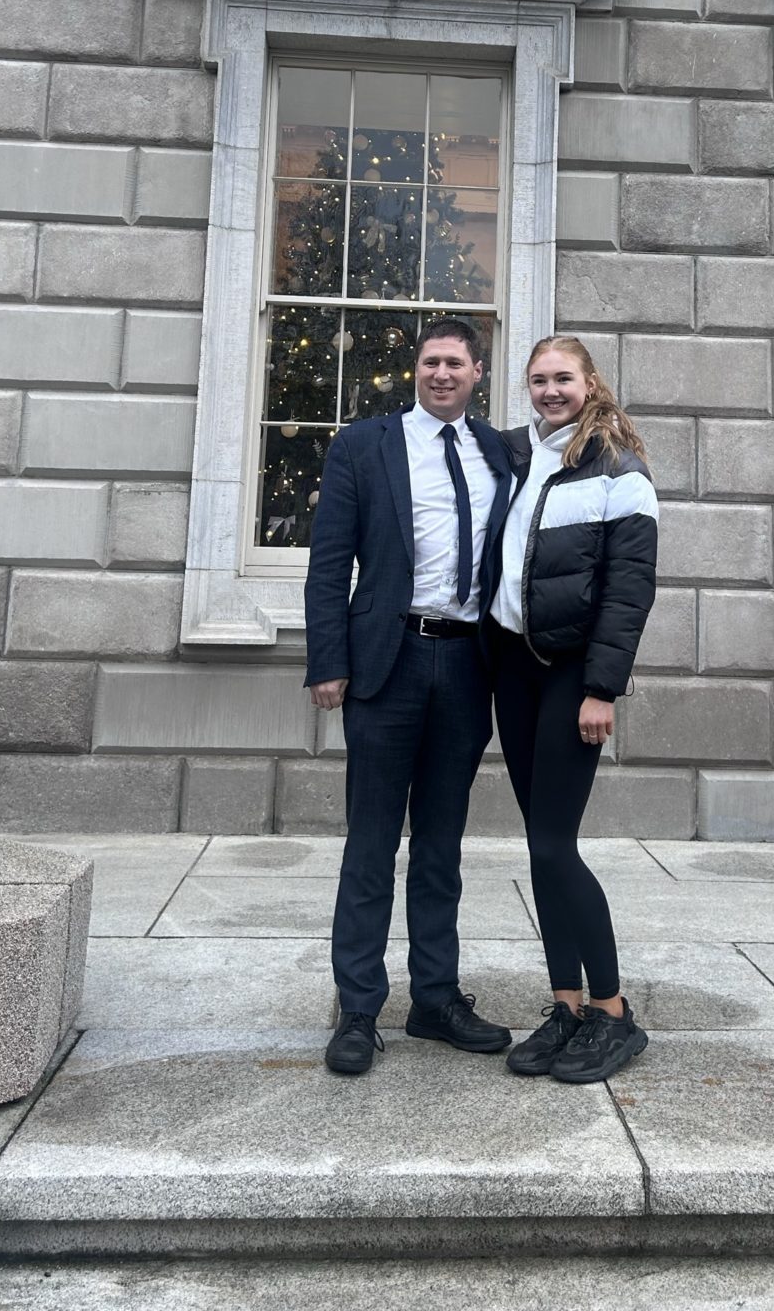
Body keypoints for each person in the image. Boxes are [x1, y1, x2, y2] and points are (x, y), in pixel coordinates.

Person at [304, 315, 516, 1076]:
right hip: (385, 666)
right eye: (430, 362)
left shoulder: (501, 452)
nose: (441, 374)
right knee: (370, 844)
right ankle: (358, 1009)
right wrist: (328, 661)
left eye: (455, 363)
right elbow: (329, 564)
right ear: (415, 370)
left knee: (441, 846)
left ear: (477, 371)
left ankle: (435, 999)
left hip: (466, 667)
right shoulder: (365, 446)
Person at [485, 334, 658, 1084]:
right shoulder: (522, 458)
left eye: (563, 378)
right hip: (512, 670)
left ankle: (614, 1014)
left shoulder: (619, 467)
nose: (550, 390)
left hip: (570, 675)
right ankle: (566, 1006)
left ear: (591, 382)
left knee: (556, 846)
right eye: (538, 380)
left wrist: (601, 687)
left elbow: (629, 589)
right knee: (539, 846)